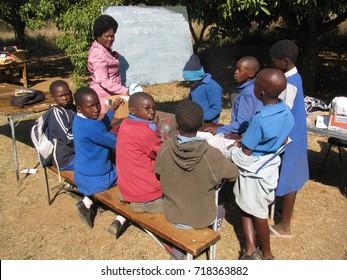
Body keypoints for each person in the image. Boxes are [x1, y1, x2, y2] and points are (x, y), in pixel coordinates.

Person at [154, 100, 239, 259]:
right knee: (221, 209)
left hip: (172, 214)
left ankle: (178, 249)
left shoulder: (165, 148)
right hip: (201, 218)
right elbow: (233, 173)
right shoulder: (212, 154)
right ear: (201, 124)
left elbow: (157, 171)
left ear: (177, 125)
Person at [230, 68, 294, 260]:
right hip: (270, 166)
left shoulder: (260, 118)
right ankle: (250, 250)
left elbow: (245, 153)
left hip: (255, 171)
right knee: (246, 205)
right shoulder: (285, 111)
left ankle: (267, 254)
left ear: (261, 92)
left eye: (256, 85)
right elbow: (282, 139)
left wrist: (232, 150)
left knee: (257, 213)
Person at [72, 86, 126, 238]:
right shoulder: (92, 127)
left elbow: (99, 127)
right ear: (79, 108)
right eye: (91, 106)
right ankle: (121, 217)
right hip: (98, 179)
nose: (96, 109)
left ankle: (87, 201)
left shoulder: (79, 120)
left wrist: (112, 109)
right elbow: (117, 144)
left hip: (82, 175)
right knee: (129, 174)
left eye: (97, 104)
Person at [269, 39, 309, 238]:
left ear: (284, 62)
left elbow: (283, 115)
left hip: (290, 139)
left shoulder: (289, 85)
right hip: (298, 135)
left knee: (289, 180)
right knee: (288, 177)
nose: (272, 65)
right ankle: (281, 212)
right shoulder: (296, 77)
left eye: (274, 62)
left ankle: (284, 226)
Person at [115, 92, 163, 214]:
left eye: (154, 108)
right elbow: (161, 153)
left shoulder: (125, 123)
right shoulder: (146, 131)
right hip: (143, 188)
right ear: (132, 110)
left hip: (127, 184)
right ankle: (146, 203)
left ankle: (129, 196)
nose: (152, 112)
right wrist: (159, 132)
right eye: (147, 109)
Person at [88, 15, 138, 114]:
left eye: (112, 36)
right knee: (110, 123)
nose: (110, 39)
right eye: (107, 36)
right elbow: (104, 81)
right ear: (98, 35)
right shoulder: (98, 55)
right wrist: (125, 90)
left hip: (113, 94)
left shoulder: (105, 49)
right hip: (104, 98)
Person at [205, 56, 262, 138]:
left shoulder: (247, 93)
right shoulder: (255, 87)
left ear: (251, 73)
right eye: (236, 69)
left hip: (244, 134)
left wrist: (219, 130)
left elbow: (242, 123)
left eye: (240, 70)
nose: (235, 72)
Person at [183, 54, 223, 123]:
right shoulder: (194, 84)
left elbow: (216, 108)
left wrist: (200, 118)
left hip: (209, 123)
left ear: (199, 77)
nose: (190, 84)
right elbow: (192, 100)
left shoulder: (213, 86)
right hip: (196, 120)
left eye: (192, 81)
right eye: (188, 82)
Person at [46, 80, 76, 170]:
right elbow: (68, 138)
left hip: (76, 152)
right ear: (53, 97)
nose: (65, 98)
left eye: (67, 94)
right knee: (96, 162)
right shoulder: (56, 113)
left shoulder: (71, 108)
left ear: (71, 93)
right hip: (65, 158)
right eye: (60, 96)